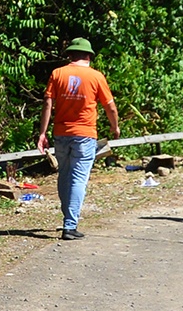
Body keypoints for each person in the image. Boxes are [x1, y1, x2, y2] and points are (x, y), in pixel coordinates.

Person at [34, 38, 120, 239]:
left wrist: (42, 133)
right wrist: (115, 127)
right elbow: (110, 106)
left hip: (61, 134)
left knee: (64, 175)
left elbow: (47, 104)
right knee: (78, 179)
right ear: (89, 56)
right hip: (85, 134)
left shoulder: (58, 74)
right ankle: (69, 226)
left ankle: (68, 220)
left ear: (70, 55)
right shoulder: (96, 76)